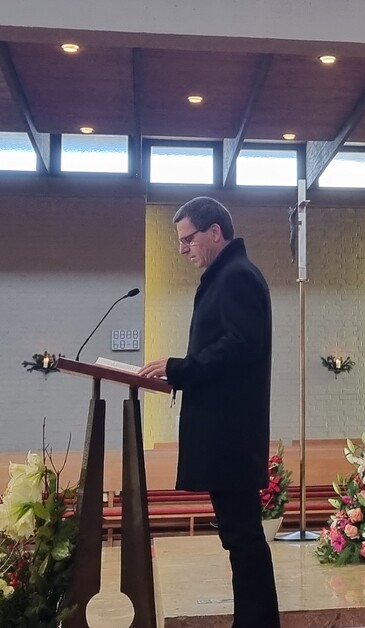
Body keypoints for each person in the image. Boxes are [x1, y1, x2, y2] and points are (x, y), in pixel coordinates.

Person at [139, 196, 280, 628]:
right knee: (239, 537)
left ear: (215, 232)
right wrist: (181, 371)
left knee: (243, 537)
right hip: (226, 432)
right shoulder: (227, 276)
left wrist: (181, 368)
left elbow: (240, 345)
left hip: (230, 434)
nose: (182, 249)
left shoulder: (236, 277)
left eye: (188, 239)